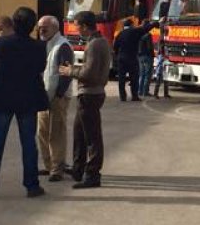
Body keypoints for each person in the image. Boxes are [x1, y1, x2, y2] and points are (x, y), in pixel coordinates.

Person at [0, 7, 49, 200]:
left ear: (14, 24)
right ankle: (32, 185)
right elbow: (41, 67)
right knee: (28, 143)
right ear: (33, 26)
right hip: (28, 99)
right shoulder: (39, 47)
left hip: (2, 99)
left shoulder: (1, 43)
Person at [59, 11, 110, 189]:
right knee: (79, 133)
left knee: (92, 136)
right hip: (90, 93)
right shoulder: (98, 42)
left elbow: (89, 73)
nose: (76, 29)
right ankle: (78, 168)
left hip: (90, 94)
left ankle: (93, 173)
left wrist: (70, 71)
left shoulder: (95, 45)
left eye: (77, 26)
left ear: (85, 26)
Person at [36, 15, 74, 182]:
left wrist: (59, 95)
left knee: (56, 133)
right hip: (44, 97)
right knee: (42, 133)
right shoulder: (46, 45)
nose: (41, 30)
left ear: (55, 28)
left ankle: (57, 169)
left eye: (45, 27)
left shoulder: (62, 46)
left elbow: (66, 73)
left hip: (57, 97)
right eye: (40, 27)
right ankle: (48, 165)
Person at [113, 17, 161, 101]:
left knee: (121, 79)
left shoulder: (120, 34)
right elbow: (145, 29)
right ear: (131, 25)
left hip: (121, 58)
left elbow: (115, 46)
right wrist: (155, 24)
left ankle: (122, 96)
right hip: (131, 57)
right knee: (134, 77)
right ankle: (134, 96)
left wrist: (118, 55)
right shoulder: (134, 31)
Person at [137, 22, 155, 100]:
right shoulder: (148, 35)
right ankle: (145, 91)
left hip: (140, 56)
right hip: (147, 56)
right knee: (148, 74)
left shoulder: (138, 34)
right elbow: (149, 47)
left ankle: (139, 91)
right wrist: (152, 54)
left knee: (141, 74)